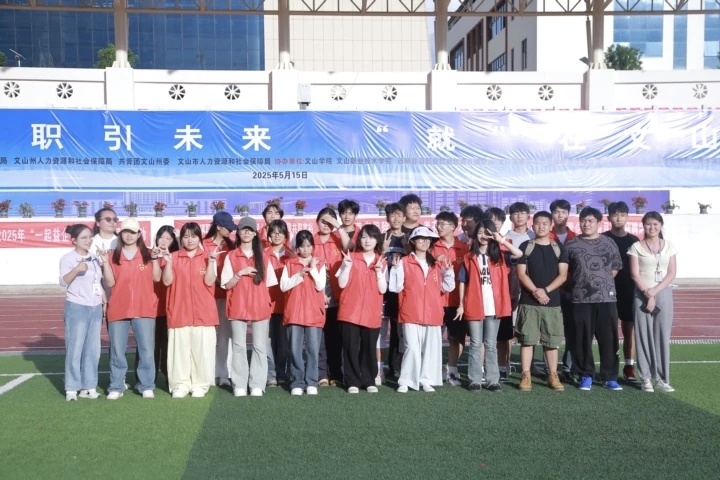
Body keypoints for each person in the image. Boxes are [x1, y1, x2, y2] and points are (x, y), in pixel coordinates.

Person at [97, 218, 161, 400]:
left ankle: (146, 385)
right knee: (117, 350)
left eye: (133, 232)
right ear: (120, 233)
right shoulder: (112, 256)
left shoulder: (148, 254)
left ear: (139, 234)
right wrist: (105, 263)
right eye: (126, 231)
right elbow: (110, 282)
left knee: (146, 349)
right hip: (118, 309)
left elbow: (157, 278)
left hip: (144, 308)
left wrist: (155, 259)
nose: (129, 235)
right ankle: (116, 386)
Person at [456, 220, 522, 393]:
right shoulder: (469, 257)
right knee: (475, 343)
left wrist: (501, 240)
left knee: (491, 344)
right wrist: (461, 304)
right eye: (480, 233)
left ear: (493, 234)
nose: (483, 236)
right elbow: (462, 281)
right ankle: (475, 380)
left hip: (495, 306)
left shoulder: (501, 256)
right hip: (474, 304)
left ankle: (493, 380)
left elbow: (519, 253)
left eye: (487, 233)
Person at [389, 226, 455, 393]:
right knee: (411, 347)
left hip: (433, 313)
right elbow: (395, 287)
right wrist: (395, 270)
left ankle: (426, 380)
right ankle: (405, 380)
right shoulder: (404, 262)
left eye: (428, 239)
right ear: (413, 241)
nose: (425, 242)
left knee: (430, 349)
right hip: (410, 311)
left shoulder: (436, 264)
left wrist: (448, 272)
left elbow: (447, 287)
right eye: (421, 239)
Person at [565, 207, 623, 391]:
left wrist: (602, 282)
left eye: (590, 221)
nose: (586, 224)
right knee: (582, 339)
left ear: (599, 222)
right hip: (580, 299)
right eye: (583, 220)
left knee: (609, 338)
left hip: (606, 298)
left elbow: (615, 267)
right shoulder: (571, 245)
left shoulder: (609, 242)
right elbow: (565, 272)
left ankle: (609, 376)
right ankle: (585, 375)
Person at [163, 222, 221, 399]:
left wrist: (211, 262)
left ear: (199, 238)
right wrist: (168, 263)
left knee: (202, 351)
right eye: (186, 236)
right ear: (181, 239)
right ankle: (180, 385)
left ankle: (200, 385)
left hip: (204, 312)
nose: (190, 240)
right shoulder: (173, 256)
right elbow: (166, 281)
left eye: (194, 236)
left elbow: (209, 281)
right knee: (179, 352)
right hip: (179, 311)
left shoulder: (208, 257)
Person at [221, 217, 277, 398]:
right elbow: (226, 285)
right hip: (237, 305)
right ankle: (239, 384)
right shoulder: (231, 256)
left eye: (250, 229)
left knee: (260, 346)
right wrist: (240, 274)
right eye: (243, 229)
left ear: (255, 233)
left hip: (260, 306)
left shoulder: (264, 257)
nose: (246, 232)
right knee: (238, 346)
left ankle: (257, 384)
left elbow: (270, 284)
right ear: (238, 232)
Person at [515, 211, 568, 391]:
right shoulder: (526, 246)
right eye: (538, 223)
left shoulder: (558, 247)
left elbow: (563, 275)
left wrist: (545, 291)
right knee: (527, 340)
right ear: (533, 225)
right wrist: (536, 292)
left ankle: (553, 375)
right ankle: (526, 375)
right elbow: (521, 274)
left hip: (552, 302)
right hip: (529, 302)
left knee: (551, 342)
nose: (541, 226)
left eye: (545, 223)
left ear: (551, 225)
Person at [628, 212, 678, 393]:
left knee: (662, 334)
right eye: (648, 224)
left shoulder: (669, 246)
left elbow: (671, 273)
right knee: (643, 335)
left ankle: (663, 379)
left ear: (661, 225)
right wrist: (648, 295)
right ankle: (646, 378)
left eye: (655, 224)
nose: (652, 227)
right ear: (643, 226)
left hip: (663, 292)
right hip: (642, 294)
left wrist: (655, 292)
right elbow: (635, 274)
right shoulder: (636, 247)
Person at [336, 224, 387, 394]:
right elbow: (341, 283)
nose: (367, 241)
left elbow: (383, 289)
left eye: (371, 237)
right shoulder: (350, 257)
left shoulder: (381, 261)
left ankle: (369, 379)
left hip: (371, 311)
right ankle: (352, 381)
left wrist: (379, 272)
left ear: (377, 240)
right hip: (350, 311)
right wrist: (346, 266)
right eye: (364, 237)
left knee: (369, 347)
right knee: (350, 347)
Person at [59, 224, 105, 401]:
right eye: (83, 238)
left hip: (95, 306)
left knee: (93, 349)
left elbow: (97, 282)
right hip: (77, 306)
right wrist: (77, 269)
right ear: (74, 240)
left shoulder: (94, 258)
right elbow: (63, 281)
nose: (88, 240)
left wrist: (103, 299)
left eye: (90, 237)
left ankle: (89, 386)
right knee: (75, 348)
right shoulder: (68, 259)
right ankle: (72, 387)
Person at [280, 230, 327, 396]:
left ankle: (311, 381)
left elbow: (320, 285)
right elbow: (283, 286)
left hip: (313, 313)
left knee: (313, 350)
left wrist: (312, 269)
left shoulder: (319, 264)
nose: (305, 249)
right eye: (302, 246)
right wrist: (298, 275)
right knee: (295, 350)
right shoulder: (290, 264)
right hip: (294, 312)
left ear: (313, 247)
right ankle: (297, 382)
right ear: (297, 248)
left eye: (308, 246)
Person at [603, 201, 640, 383]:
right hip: (605, 291)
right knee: (607, 332)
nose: (618, 218)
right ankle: (609, 368)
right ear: (608, 217)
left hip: (628, 291)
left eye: (622, 214)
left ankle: (629, 367)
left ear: (627, 217)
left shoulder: (634, 241)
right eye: (615, 214)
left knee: (628, 330)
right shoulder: (602, 239)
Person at [313, 208, 350, 386]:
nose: (326, 225)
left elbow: (350, 247)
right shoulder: (310, 241)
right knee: (319, 339)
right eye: (323, 221)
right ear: (316, 222)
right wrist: (319, 292)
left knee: (335, 337)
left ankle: (336, 373)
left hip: (338, 297)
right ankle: (321, 374)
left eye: (330, 221)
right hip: (316, 296)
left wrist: (338, 226)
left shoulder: (338, 239)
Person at [432, 211, 469, 387]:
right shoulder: (431, 246)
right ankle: (434, 369)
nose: (438, 227)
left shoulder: (464, 248)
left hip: (457, 302)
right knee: (433, 338)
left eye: (442, 224)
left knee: (457, 338)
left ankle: (452, 369)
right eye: (437, 224)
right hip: (436, 301)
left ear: (453, 227)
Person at [203, 211, 236, 388]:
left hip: (226, 296)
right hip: (206, 296)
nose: (231, 231)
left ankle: (224, 374)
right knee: (208, 336)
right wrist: (217, 281)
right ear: (218, 227)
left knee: (225, 336)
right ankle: (207, 374)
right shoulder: (203, 244)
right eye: (228, 228)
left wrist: (225, 283)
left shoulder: (231, 245)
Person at [549, 199, 577, 380]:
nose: (560, 215)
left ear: (568, 214)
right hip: (550, 290)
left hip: (571, 291)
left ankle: (568, 367)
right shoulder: (544, 236)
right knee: (549, 329)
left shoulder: (575, 238)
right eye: (556, 212)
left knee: (572, 329)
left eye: (563, 212)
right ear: (552, 214)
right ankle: (550, 368)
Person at [380, 202, 407, 382]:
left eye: (399, 215)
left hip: (401, 290)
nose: (396, 218)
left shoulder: (410, 238)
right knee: (381, 329)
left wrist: (408, 248)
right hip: (383, 288)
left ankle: (398, 366)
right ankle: (380, 367)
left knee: (400, 330)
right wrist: (383, 249)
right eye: (392, 215)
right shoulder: (381, 237)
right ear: (387, 218)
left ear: (404, 218)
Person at [265, 219, 292, 387]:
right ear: (269, 235)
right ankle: (270, 374)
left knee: (283, 343)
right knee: (267, 342)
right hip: (266, 305)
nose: (276, 236)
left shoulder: (292, 255)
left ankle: (282, 372)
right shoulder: (262, 254)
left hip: (286, 305)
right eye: (273, 232)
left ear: (285, 235)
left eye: (280, 233)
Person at [150, 226, 179, 383]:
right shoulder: (149, 255)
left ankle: (170, 376)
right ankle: (148, 378)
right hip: (151, 307)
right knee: (150, 344)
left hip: (170, 307)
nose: (164, 241)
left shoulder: (176, 257)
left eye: (168, 238)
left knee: (170, 344)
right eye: (161, 237)